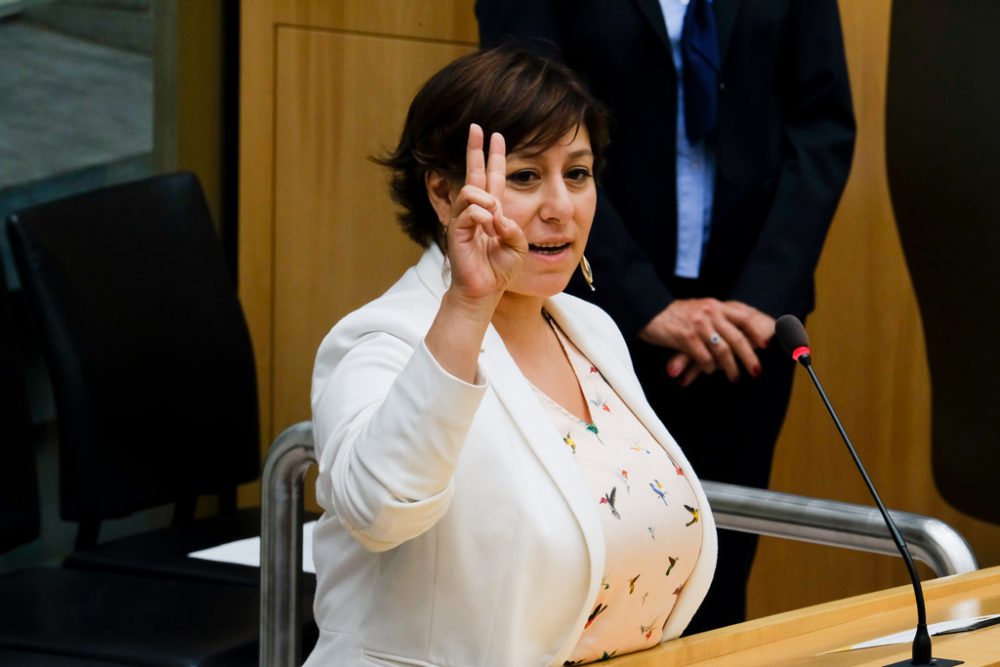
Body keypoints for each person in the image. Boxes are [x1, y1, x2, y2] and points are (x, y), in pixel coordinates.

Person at [306, 48, 717, 666]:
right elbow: (380, 510)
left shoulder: (591, 329)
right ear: (444, 195)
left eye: (577, 174)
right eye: (525, 177)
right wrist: (469, 305)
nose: (561, 206)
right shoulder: (379, 341)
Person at [476, 0, 856, 632]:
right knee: (589, 578)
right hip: (585, 307)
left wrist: (763, 296)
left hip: (748, 328)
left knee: (719, 576)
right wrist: (643, 303)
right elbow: (521, 121)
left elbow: (822, 126)